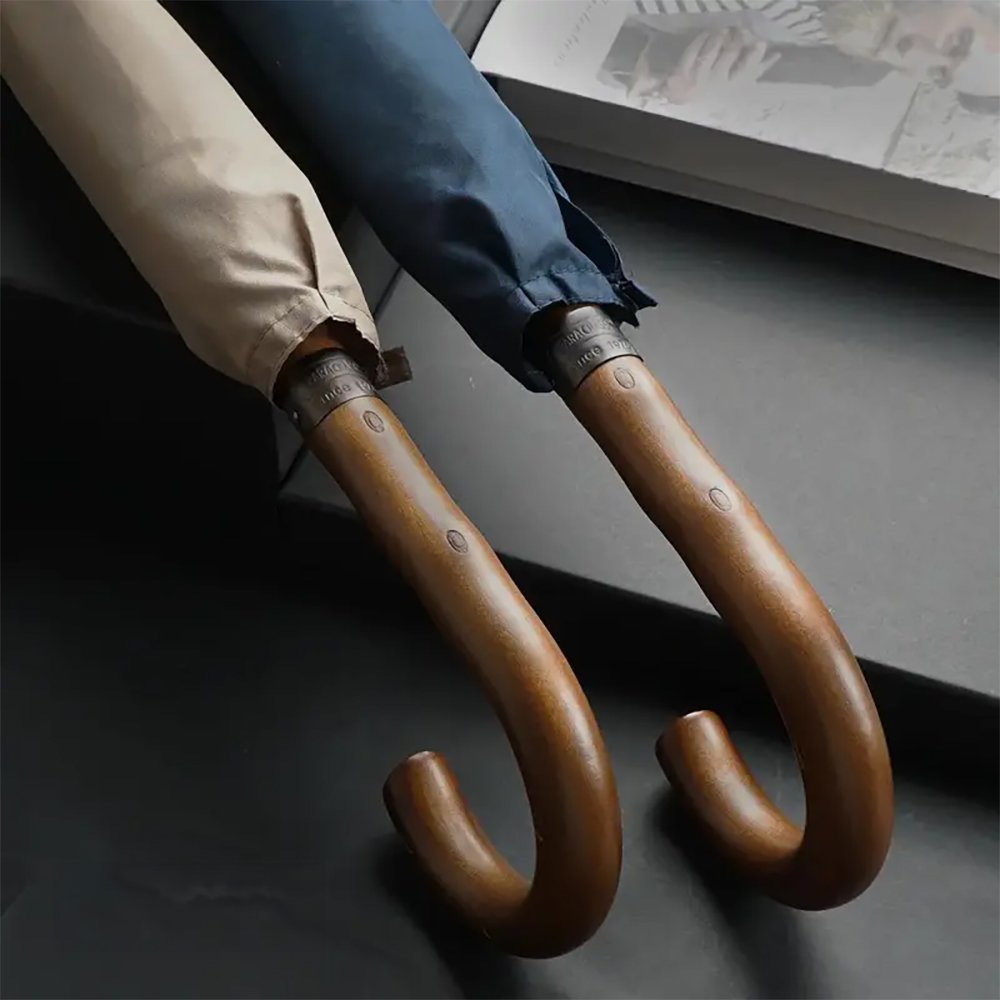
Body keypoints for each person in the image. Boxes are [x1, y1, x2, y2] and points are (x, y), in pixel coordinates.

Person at [607, 0, 999, 109]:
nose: (917, 56)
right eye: (957, 41)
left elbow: (644, 57)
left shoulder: (852, 66)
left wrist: (675, 82)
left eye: (939, 75)